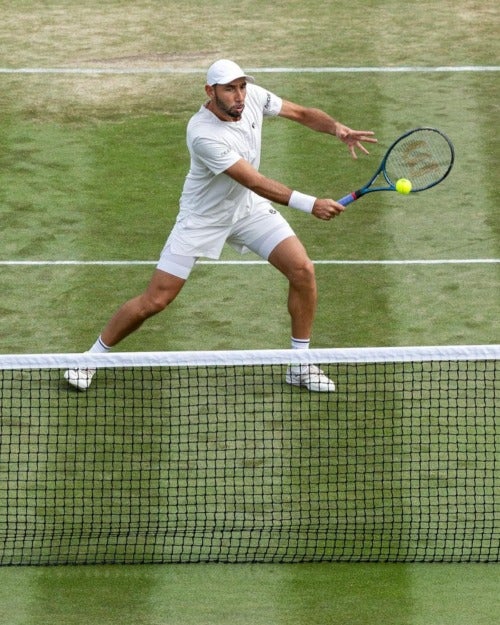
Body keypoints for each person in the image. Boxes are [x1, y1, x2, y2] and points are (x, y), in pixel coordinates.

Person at [65, 59, 377, 392]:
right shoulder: (202, 133)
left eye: (241, 86)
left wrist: (337, 128)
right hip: (203, 218)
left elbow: (300, 113)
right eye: (230, 89)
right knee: (156, 300)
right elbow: (254, 180)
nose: (239, 96)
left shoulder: (253, 97)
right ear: (210, 91)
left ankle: (300, 365)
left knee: (302, 270)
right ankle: (90, 358)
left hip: (247, 209)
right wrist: (310, 204)